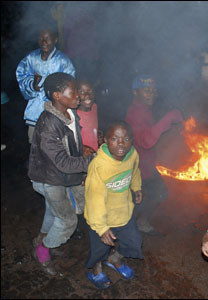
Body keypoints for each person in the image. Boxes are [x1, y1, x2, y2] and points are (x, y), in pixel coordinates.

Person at [29, 72, 94, 276]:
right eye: (73, 91)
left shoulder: (69, 113)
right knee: (67, 221)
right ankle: (42, 250)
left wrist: (81, 150)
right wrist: (91, 162)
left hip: (60, 174)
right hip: (50, 178)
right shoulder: (49, 123)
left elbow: (68, 145)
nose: (78, 95)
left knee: (54, 212)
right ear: (57, 95)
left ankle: (42, 239)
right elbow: (63, 162)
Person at [84, 121, 143, 289]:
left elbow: (135, 170)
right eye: (115, 139)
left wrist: (136, 187)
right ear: (105, 141)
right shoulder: (99, 165)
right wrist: (101, 228)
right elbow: (94, 199)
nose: (121, 143)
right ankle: (95, 270)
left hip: (123, 212)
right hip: (101, 219)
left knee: (134, 242)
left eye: (125, 138)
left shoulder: (132, 154)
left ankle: (114, 258)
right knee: (99, 250)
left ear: (132, 140)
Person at [125, 75, 183, 235]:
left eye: (153, 91)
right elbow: (146, 141)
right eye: (146, 91)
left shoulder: (144, 109)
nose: (151, 94)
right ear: (136, 92)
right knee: (139, 199)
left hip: (146, 164)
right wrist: (168, 118)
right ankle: (128, 233)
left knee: (155, 193)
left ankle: (139, 223)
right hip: (137, 167)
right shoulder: (136, 113)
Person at [16, 26, 75, 145]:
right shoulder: (31, 58)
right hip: (35, 113)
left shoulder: (63, 61)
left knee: (56, 147)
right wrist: (33, 85)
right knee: (35, 146)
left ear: (55, 40)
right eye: (41, 38)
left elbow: (71, 85)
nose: (44, 42)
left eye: (48, 38)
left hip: (56, 113)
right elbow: (21, 75)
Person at [76, 78, 101, 153]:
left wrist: (97, 136)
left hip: (96, 154)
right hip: (82, 158)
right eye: (82, 92)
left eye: (90, 91)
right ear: (75, 94)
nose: (87, 95)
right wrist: (82, 148)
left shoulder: (94, 107)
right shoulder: (73, 116)